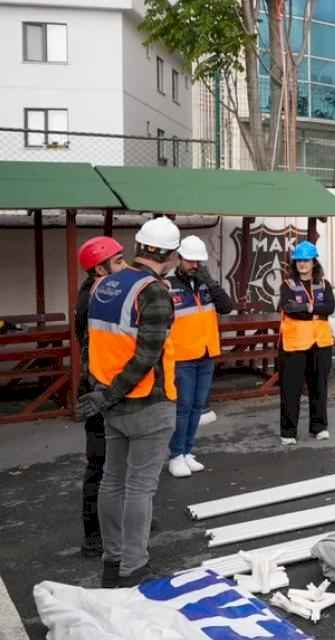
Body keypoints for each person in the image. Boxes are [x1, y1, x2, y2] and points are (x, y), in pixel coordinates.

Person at [77, 217, 181, 588]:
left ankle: (112, 561)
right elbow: (146, 355)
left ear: (138, 246)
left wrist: (101, 393)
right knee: (139, 488)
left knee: (112, 483)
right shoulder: (153, 291)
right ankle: (133, 567)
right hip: (146, 403)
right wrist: (111, 392)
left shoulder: (102, 284)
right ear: (170, 254)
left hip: (110, 405)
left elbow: (91, 345)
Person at [73, 236, 128, 558]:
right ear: (99, 269)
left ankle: (123, 520)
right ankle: (94, 534)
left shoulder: (105, 291)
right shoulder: (93, 298)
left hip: (114, 387)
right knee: (100, 462)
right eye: (118, 261)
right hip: (98, 390)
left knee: (121, 461)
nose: (124, 266)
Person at [165, 236, 233, 478]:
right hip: (182, 355)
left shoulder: (205, 283)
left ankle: (187, 451)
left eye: (199, 262)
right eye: (191, 261)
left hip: (206, 352)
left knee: (197, 407)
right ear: (179, 258)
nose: (195, 266)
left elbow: (226, 307)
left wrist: (211, 283)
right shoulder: (167, 284)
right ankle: (175, 455)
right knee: (182, 409)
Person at [278, 241, 335, 445]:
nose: (302, 264)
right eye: (299, 260)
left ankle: (319, 427)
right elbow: (289, 307)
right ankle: (288, 432)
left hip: (320, 343)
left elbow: (330, 307)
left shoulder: (324, 284)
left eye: (306, 260)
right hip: (294, 345)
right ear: (295, 263)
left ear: (313, 262)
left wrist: (307, 308)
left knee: (319, 386)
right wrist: (313, 308)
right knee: (290, 389)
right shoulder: (287, 285)